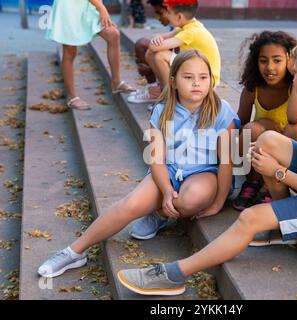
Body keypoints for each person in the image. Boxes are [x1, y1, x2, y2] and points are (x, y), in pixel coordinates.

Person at [116, 32, 297, 296]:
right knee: (267, 139)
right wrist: (282, 169)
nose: (292, 77)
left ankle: (174, 274)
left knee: (250, 217)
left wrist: (277, 171)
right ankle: (285, 220)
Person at [37, 50, 239, 278]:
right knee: (130, 204)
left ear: (211, 80)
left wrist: (218, 202)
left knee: (190, 199)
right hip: (170, 171)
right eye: (188, 77)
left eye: (203, 77)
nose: (196, 83)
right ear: (173, 81)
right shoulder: (162, 111)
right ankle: (73, 252)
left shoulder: (222, 112)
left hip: (206, 173)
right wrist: (164, 191)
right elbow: (157, 159)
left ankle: (160, 214)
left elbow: (227, 161)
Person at [233, 31, 297, 211]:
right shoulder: (254, 88)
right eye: (263, 61)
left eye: (277, 60)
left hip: (292, 154)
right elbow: (240, 122)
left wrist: (296, 76)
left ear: (290, 61)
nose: (269, 67)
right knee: (249, 128)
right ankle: (252, 182)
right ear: (255, 62)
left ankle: (271, 186)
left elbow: (294, 118)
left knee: (296, 129)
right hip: (260, 150)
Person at [46, 0, 136, 110]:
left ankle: (116, 82)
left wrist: (100, 7)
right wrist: (102, 8)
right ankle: (72, 97)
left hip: (89, 5)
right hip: (69, 6)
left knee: (113, 34)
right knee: (70, 51)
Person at [128, 0, 221, 103]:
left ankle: (171, 100)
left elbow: (155, 47)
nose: (167, 15)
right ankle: (163, 91)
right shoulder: (187, 26)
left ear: (179, 17)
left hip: (205, 80)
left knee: (160, 55)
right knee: (151, 53)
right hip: (196, 70)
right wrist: (158, 37)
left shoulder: (191, 32)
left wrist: (157, 40)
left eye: (169, 12)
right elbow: (159, 38)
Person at [133, 0, 171, 93]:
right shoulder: (174, 27)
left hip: (187, 70)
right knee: (142, 44)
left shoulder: (184, 27)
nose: (157, 18)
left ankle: (164, 93)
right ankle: (154, 88)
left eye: (160, 13)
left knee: (150, 49)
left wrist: (150, 68)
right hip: (175, 62)